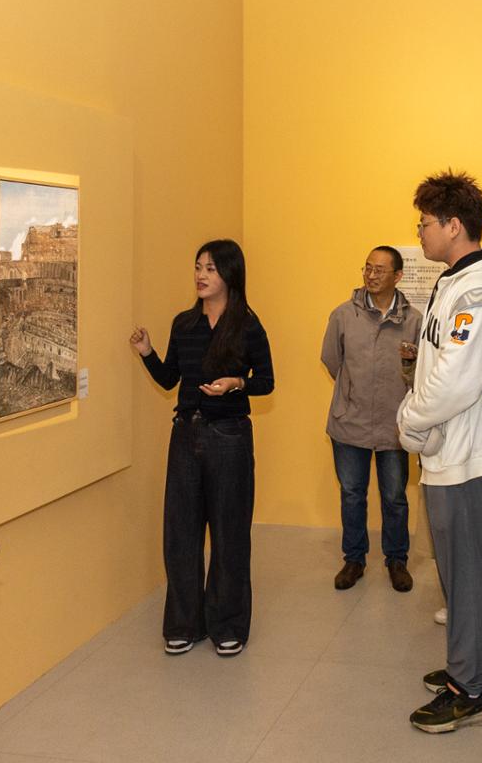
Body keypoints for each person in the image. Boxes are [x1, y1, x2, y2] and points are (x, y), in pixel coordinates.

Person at [398, 169, 482, 733]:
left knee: (465, 573)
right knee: (468, 569)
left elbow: (454, 382)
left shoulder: (478, 294)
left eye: (424, 223)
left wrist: (409, 420)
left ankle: (468, 691)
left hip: (463, 453)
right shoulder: (456, 283)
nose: (419, 232)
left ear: (453, 225)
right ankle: (479, 668)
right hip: (453, 450)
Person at [130, 239, 274, 657]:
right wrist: (147, 352)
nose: (201, 275)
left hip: (230, 436)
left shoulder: (247, 325)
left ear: (229, 274)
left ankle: (227, 624)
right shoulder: (184, 324)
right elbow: (169, 379)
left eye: (210, 268)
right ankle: (184, 624)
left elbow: (266, 382)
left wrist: (236, 383)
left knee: (229, 532)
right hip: (185, 435)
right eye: (198, 267)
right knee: (181, 532)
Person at [321, 245, 422, 592]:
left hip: (394, 424)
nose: (371, 275)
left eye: (380, 270)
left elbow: (419, 371)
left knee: (394, 496)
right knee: (352, 493)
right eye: (367, 268)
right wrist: (352, 390)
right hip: (350, 420)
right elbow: (332, 360)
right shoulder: (343, 315)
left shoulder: (413, 320)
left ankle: (397, 560)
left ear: (398, 276)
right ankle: (354, 559)